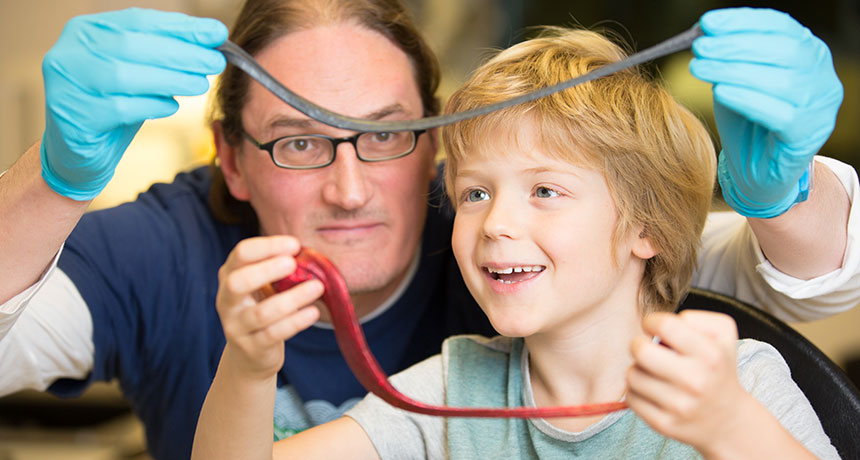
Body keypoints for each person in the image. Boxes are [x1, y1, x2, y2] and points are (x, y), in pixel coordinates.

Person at [0, 2, 855, 459]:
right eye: (299, 141)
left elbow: (754, 262)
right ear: (231, 159)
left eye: (385, 134)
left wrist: (784, 194)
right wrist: (50, 177)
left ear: (425, 146)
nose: (347, 186)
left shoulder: (725, 365)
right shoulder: (456, 388)